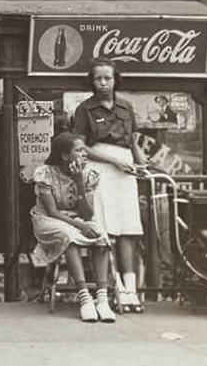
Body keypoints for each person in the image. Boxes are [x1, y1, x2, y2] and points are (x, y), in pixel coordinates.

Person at [71, 58, 147, 313]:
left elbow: (133, 141)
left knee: (128, 230)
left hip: (125, 170)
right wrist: (114, 161)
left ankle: (130, 291)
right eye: (98, 78)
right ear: (91, 81)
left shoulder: (126, 107)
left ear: (116, 79)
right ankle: (110, 290)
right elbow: (80, 147)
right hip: (101, 168)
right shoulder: (85, 109)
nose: (103, 83)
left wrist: (139, 160)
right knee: (103, 231)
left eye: (108, 78)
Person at [31, 132, 114, 323]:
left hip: (78, 219)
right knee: (68, 236)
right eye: (79, 150)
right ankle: (84, 297)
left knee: (100, 236)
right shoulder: (46, 173)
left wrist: (79, 183)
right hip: (48, 220)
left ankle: (102, 298)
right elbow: (52, 212)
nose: (84, 154)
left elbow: (87, 214)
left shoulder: (87, 174)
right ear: (64, 155)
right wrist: (81, 226)